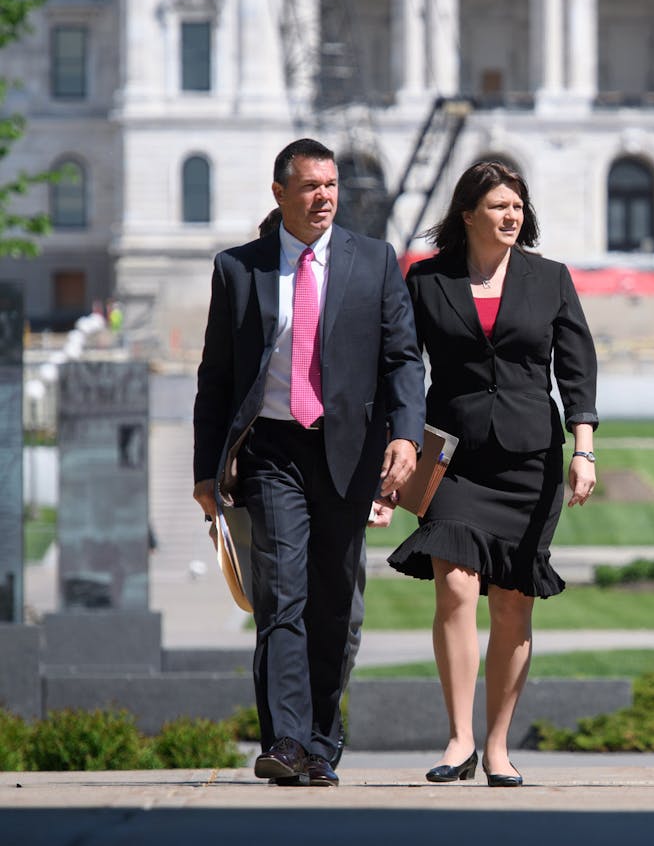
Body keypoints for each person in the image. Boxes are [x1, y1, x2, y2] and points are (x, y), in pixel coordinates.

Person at [193, 138, 425, 787]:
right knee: (282, 596)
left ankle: (322, 737)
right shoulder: (239, 269)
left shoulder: (374, 261)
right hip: (270, 451)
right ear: (280, 194)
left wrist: (405, 436)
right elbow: (215, 375)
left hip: (348, 454)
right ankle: (287, 741)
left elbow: (403, 359)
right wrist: (205, 474)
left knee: (334, 606)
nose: (324, 196)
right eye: (310, 186)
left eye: (331, 186)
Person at [386, 160, 598, 787]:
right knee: (453, 585)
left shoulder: (550, 279)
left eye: (518, 206)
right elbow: (401, 369)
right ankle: (458, 739)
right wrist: (395, 451)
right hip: (452, 459)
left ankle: (499, 745)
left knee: (512, 602)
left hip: (530, 461)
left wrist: (583, 449)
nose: (512, 216)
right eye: (499, 205)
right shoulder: (426, 281)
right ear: (469, 213)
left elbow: (577, 371)